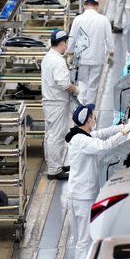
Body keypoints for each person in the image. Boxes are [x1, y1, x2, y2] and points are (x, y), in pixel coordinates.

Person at [65, 104, 130, 259]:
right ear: (87, 120)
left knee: (81, 239)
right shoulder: (81, 141)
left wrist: (123, 127)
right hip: (82, 196)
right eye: (93, 116)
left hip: (78, 193)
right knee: (84, 240)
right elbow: (103, 145)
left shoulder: (81, 135)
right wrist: (125, 132)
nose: (95, 118)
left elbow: (102, 133)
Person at [41, 29, 79, 180]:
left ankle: (54, 164)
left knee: (51, 135)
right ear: (62, 43)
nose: (67, 46)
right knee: (56, 136)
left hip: (51, 102)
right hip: (56, 103)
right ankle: (54, 169)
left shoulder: (48, 57)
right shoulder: (57, 60)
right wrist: (75, 89)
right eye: (66, 44)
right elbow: (63, 84)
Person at [68, 0, 114, 105]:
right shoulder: (103, 19)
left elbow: (72, 38)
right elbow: (109, 39)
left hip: (81, 58)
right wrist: (111, 54)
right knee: (93, 86)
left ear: (84, 6)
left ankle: (80, 112)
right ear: (97, 6)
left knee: (82, 85)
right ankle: (89, 113)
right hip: (97, 58)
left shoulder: (78, 19)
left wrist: (70, 53)